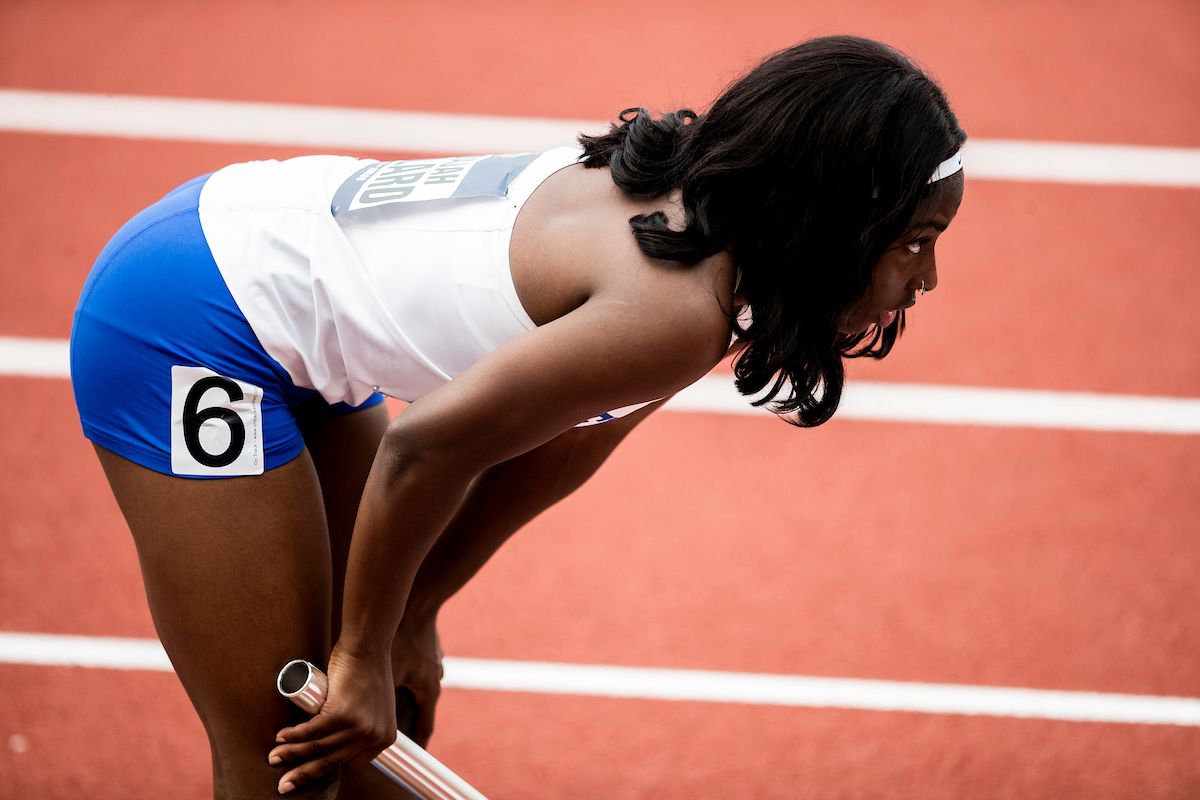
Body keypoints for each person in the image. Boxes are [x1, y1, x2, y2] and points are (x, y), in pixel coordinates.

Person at [70, 34, 965, 799]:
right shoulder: (674, 308)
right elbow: (423, 447)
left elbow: (554, 449)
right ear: (835, 217)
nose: (924, 281)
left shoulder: (720, 247)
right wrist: (364, 650)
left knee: (377, 755)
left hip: (282, 302)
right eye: (915, 242)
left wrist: (413, 611)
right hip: (188, 320)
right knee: (287, 757)